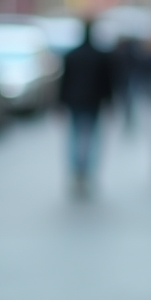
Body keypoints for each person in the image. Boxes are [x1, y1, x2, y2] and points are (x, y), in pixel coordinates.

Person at [58, 20, 113, 195]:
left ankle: (77, 173)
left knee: (75, 137)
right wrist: (110, 101)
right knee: (92, 138)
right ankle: (88, 172)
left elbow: (64, 81)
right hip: (93, 102)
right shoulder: (100, 55)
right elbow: (107, 82)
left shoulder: (71, 54)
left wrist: (59, 102)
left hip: (74, 101)